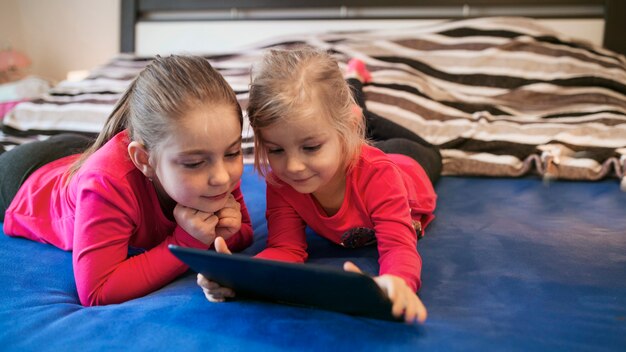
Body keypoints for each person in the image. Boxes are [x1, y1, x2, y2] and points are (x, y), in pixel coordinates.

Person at [198, 47, 441, 324]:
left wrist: (396, 282)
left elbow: (398, 248)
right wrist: (243, 275)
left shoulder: (380, 175)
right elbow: (287, 248)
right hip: (347, 140)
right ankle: (354, 87)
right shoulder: (282, 180)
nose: (293, 166)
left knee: (432, 151)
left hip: (409, 162)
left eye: (310, 147)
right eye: (276, 150)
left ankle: (355, 82)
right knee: (342, 120)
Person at [0, 55, 253, 306]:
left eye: (233, 153)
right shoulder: (106, 184)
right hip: (25, 177)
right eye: (194, 163)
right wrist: (186, 242)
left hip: (75, 153)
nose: (221, 177)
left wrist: (227, 233)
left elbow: (243, 233)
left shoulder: (214, 159)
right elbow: (97, 292)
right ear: (144, 159)